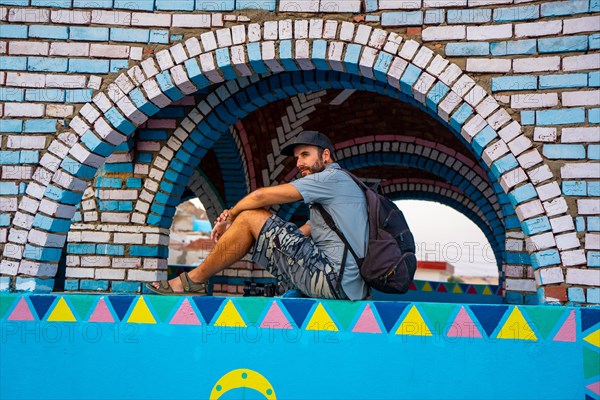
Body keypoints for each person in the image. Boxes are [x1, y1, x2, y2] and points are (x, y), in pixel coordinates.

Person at [147, 131, 369, 300]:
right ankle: (197, 278)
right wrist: (270, 243)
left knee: (251, 216)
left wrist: (232, 215)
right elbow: (311, 228)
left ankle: (193, 281)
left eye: (305, 155)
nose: (299, 163)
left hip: (333, 279)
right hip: (348, 284)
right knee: (255, 225)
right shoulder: (344, 185)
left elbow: (262, 196)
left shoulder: (331, 178)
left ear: (326, 155)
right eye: (296, 158)